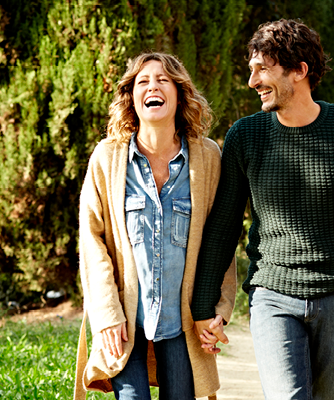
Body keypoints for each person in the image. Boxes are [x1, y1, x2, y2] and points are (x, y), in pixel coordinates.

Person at [190, 19, 334, 400]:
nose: (252, 82)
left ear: (299, 71)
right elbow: (223, 226)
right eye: (251, 70)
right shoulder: (245, 136)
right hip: (273, 293)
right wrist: (204, 304)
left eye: (262, 69)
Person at [73, 52, 237, 400]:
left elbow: (219, 239)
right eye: (143, 82)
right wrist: (106, 313)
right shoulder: (108, 157)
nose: (153, 87)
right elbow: (92, 239)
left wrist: (218, 311)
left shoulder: (208, 157)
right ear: (131, 96)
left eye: (163, 80)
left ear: (179, 94)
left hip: (182, 323)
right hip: (125, 319)